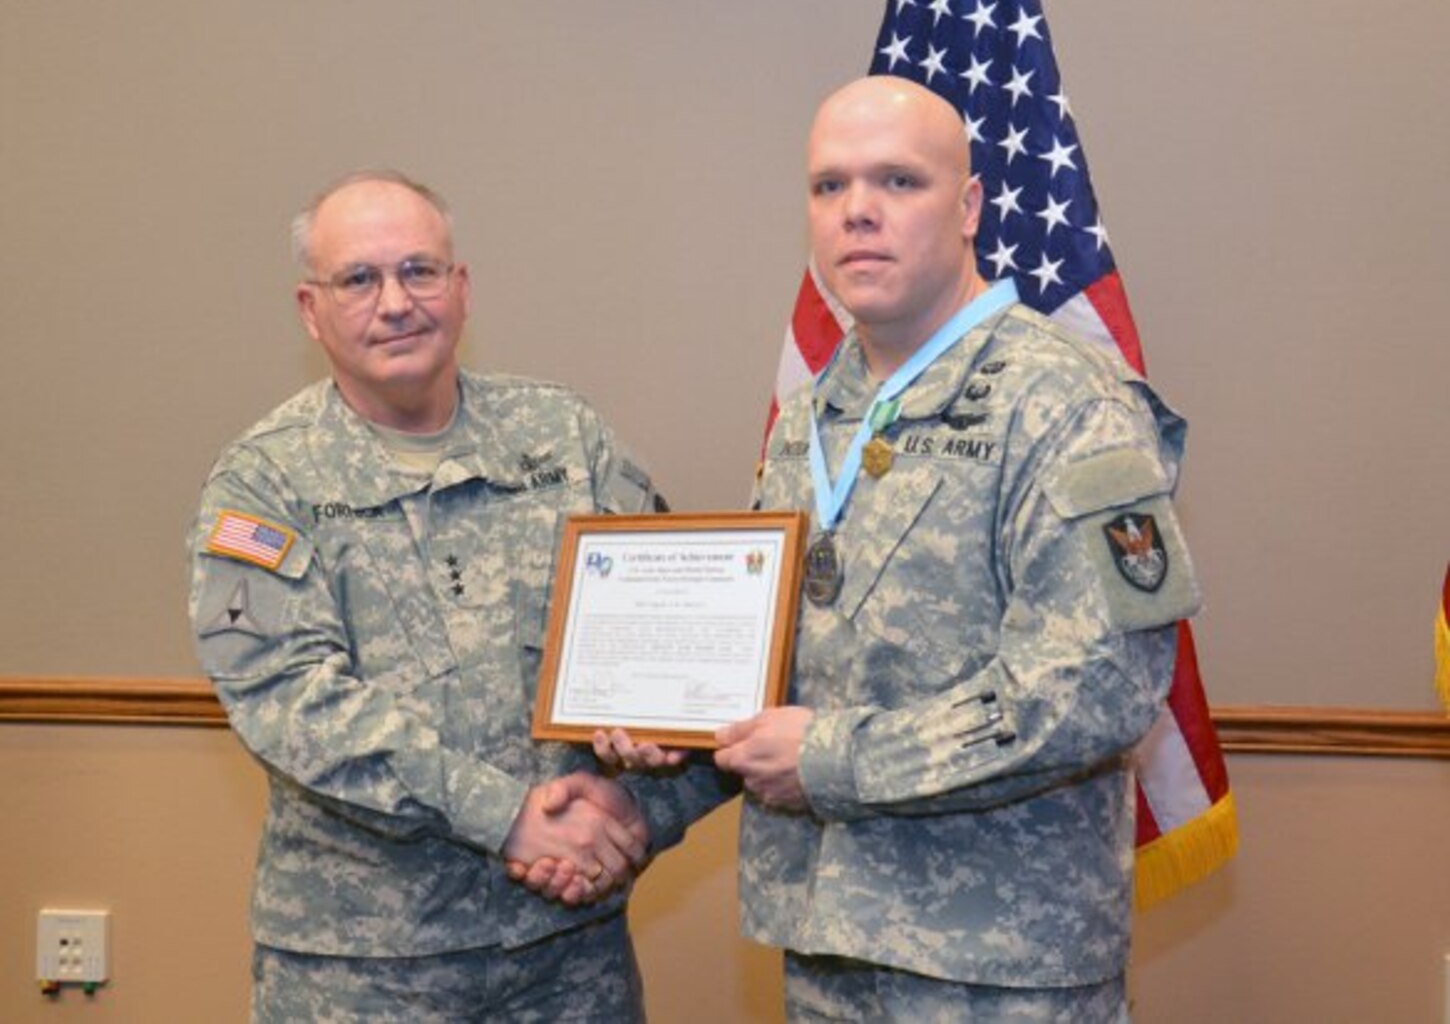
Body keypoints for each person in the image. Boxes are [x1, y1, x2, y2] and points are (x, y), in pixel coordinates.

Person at [601, 76, 1202, 1021]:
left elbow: (1097, 687)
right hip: (828, 945)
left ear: (968, 208)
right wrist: (660, 749)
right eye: (829, 187)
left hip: (998, 967)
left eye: (897, 182)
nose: (858, 214)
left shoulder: (1066, 402)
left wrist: (837, 760)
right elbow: (790, 675)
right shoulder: (813, 414)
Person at [188, 170, 729, 1022]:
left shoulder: (566, 440)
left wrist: (636, 815)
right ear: (309, 308)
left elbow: (680, 651)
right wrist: (508, 817)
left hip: (568, 959)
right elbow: (295, 704)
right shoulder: (265, 480)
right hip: (366, 969)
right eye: (358, 279)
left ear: (462, 287)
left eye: (419, 271)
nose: (395, 302)